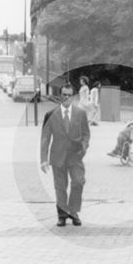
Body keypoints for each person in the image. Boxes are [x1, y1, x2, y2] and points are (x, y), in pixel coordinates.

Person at [40, 84, 91, 226]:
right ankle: (62, 215)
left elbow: (86, 134)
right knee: (60, 186)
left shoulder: (80, 113)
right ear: (60, 95)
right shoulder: (50, 115)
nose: (67, 97)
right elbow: (45, 137)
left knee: (78, 182)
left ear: (73, 96)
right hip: (58, 156)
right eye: (64, 94)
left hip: (75, 156)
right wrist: (43, 159)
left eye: (69, 95)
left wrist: (84, 147)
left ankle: (73, 212)